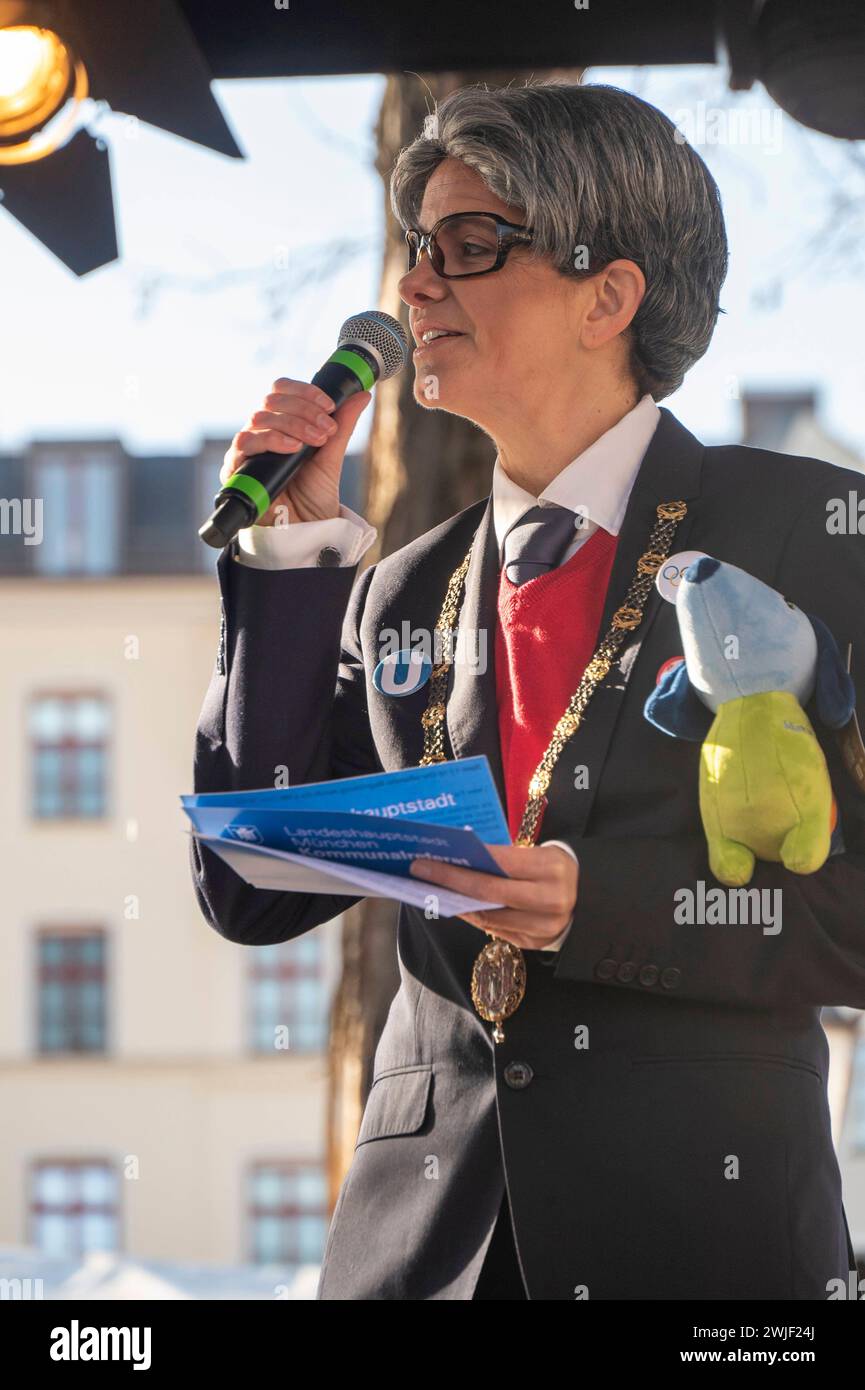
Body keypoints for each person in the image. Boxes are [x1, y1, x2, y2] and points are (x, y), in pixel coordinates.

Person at [190, 80, 865, 1300]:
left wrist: (600, 905)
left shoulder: (809, 532)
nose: (414, 288)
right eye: (416, 251)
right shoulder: (401, 585)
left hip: (703, 1248)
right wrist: (293, 557)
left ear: (610, 294)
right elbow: (251, 888)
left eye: (470, 245)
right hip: (422, 1252)